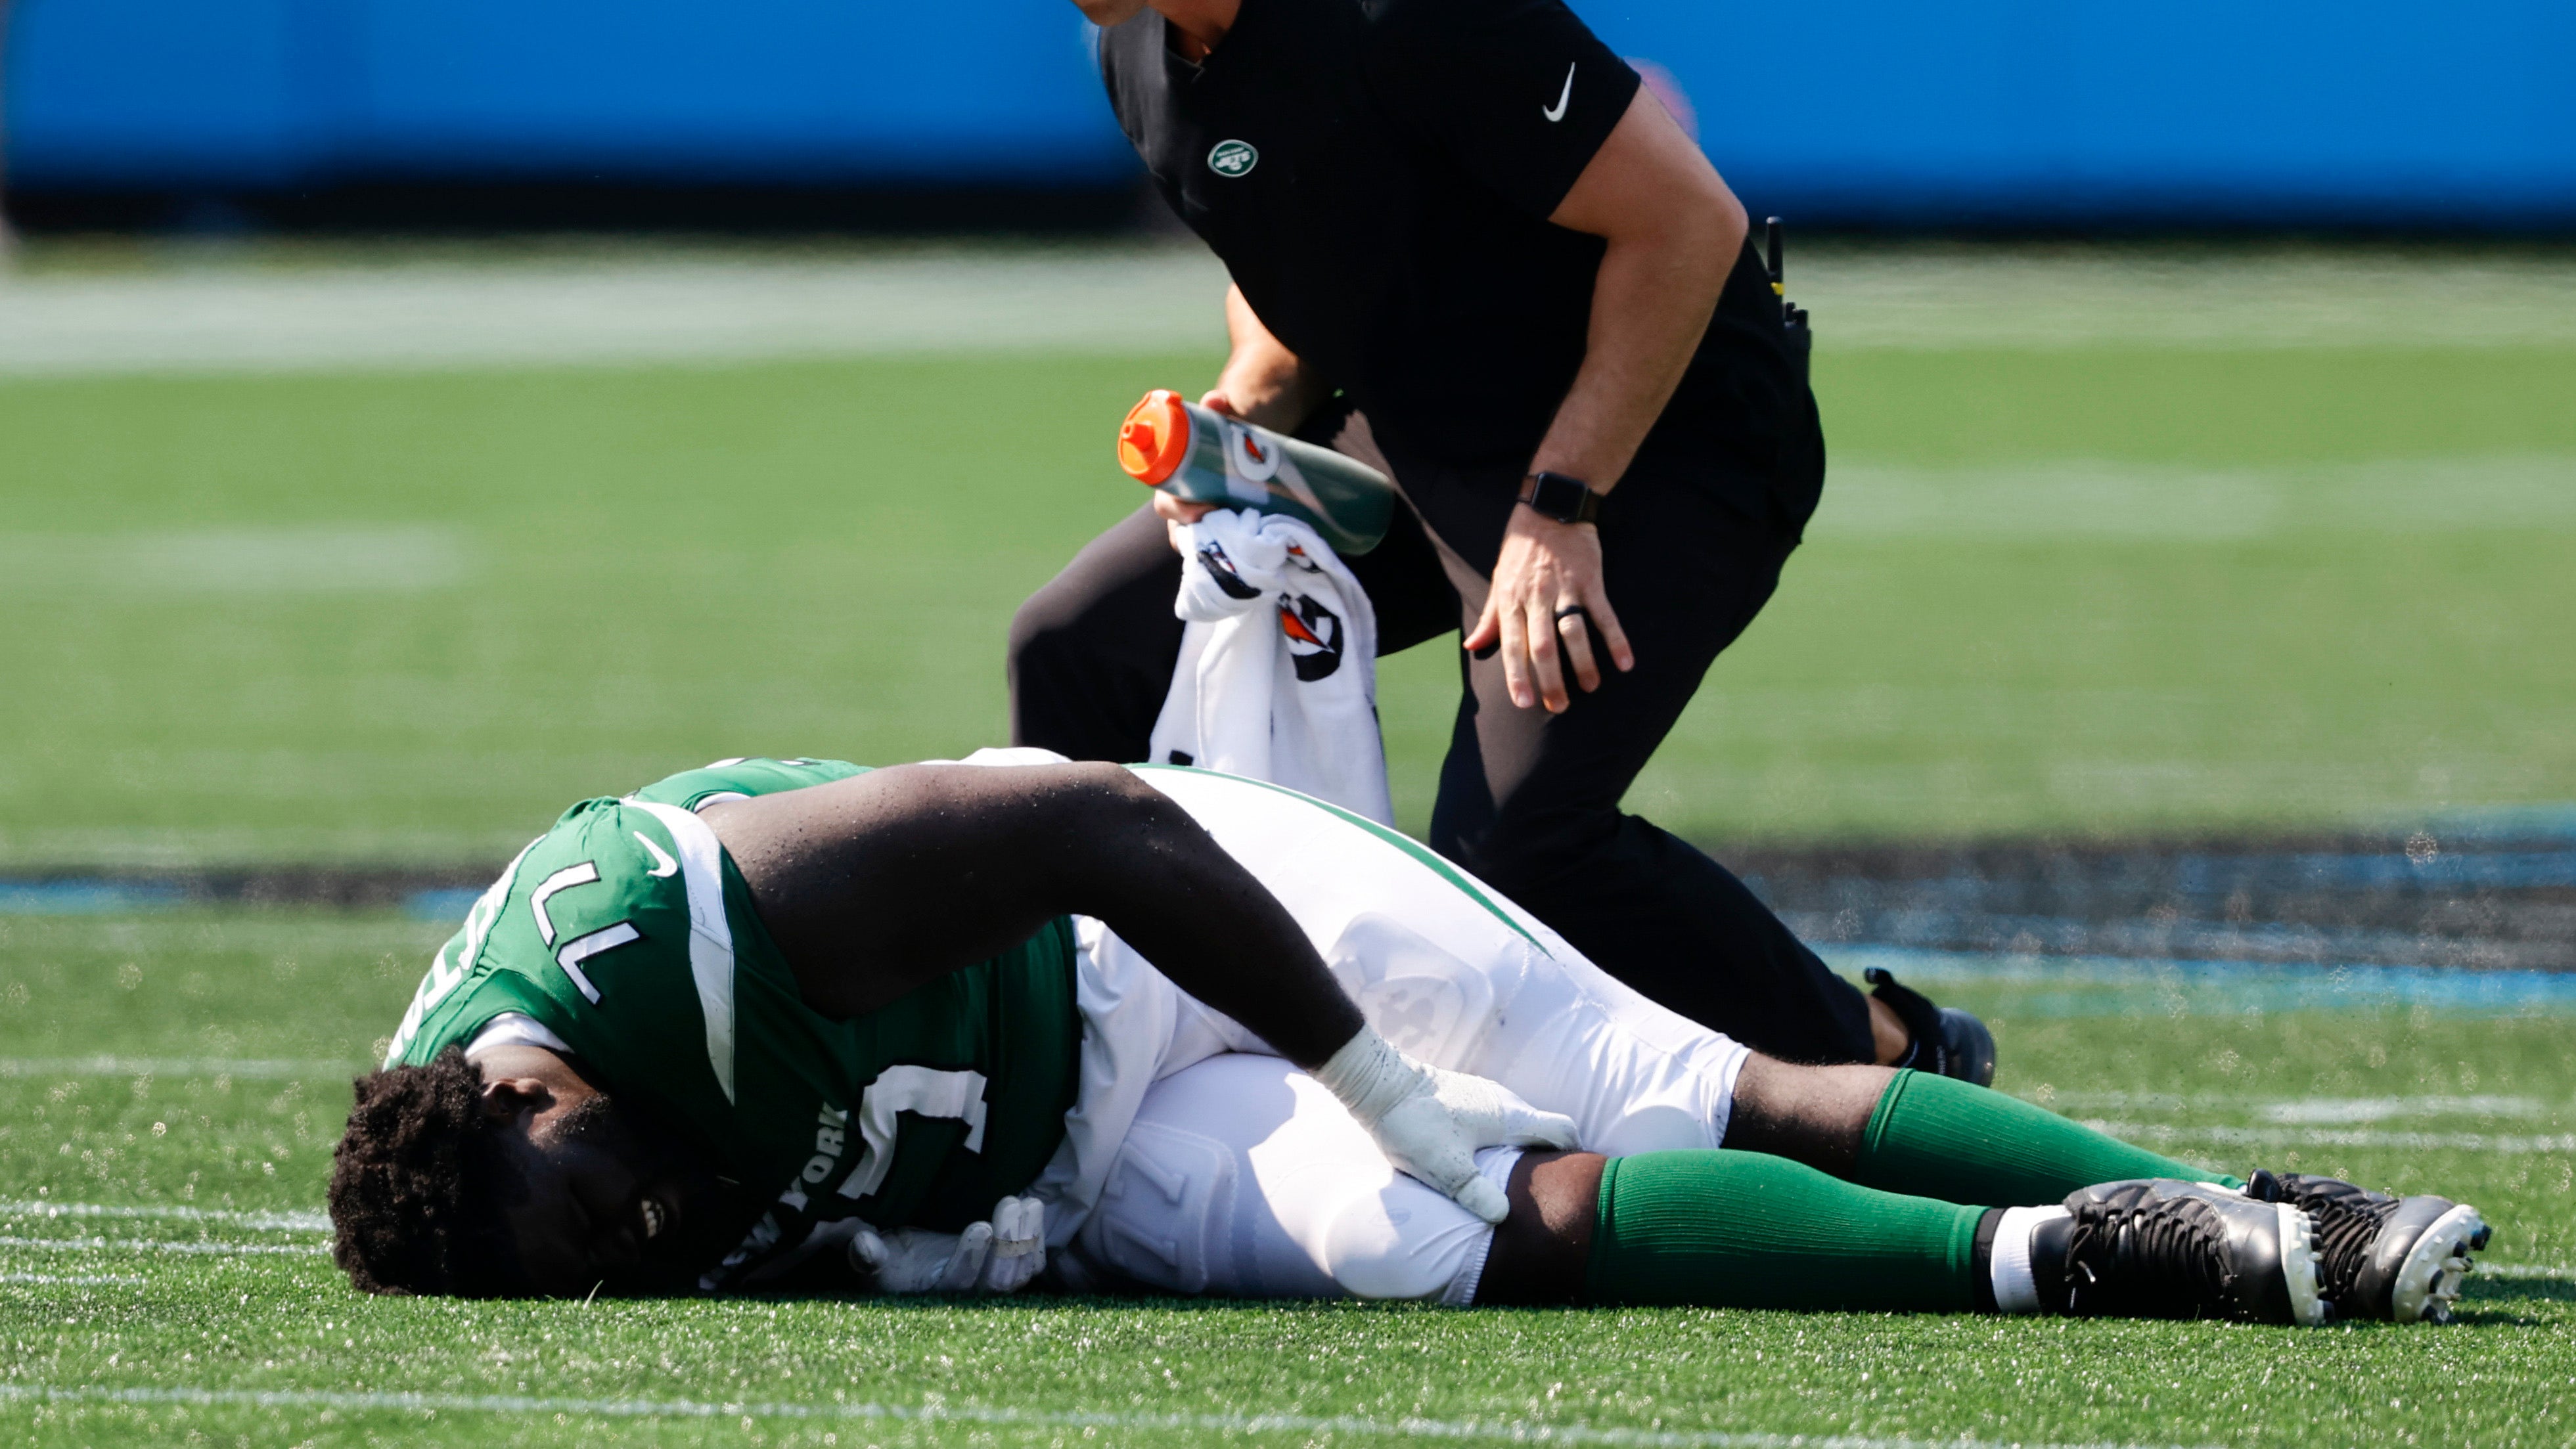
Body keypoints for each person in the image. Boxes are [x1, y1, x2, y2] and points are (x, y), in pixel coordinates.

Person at [330, 755, 2489, 1326]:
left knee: (1681, 1078)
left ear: (544, 1080)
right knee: (1495, 1233)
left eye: (620, 1188)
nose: (664, 1216)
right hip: (1070, 1169)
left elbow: (1105, 828)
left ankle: (2255, 1188)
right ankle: (2096, 1251)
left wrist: (1367, 1066)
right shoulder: (475, 1173)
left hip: (1163, 931)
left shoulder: (686, 917)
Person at [1011, 0, 1977, 1077]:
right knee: (1077, 644)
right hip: (1420, 435)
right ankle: (1077, 1059)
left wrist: (1561, 506)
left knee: (1517, 858)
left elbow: (1687, 222)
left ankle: (1890, 1051)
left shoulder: (1411, 18)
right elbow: (1284, 252)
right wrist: (1249, 397)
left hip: (1664, 450)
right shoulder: (1129, 48)